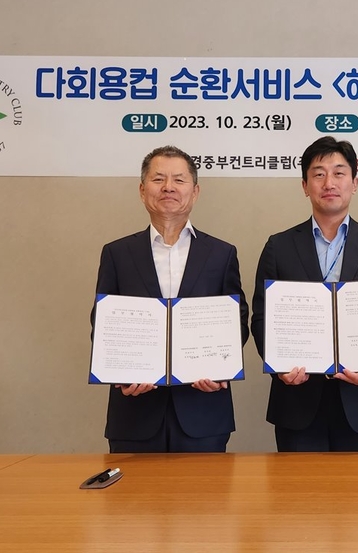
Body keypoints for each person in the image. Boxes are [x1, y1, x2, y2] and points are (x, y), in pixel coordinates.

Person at [251, 136, 358, 452]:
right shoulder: (279, 246)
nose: (329, 183)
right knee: (298, 484)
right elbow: (261, 317)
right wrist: (278, 365)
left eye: (339, 173)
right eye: (319, 174)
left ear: (354, 183)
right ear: (305, 185)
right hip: (297, 400)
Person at [91, 145, 249, 453]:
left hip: (203, 411)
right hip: (134, 412)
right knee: (135, 487)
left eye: (179, 179)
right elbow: (103, 323)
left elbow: (236, 321)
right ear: (142, 190)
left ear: (195, 191)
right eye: (158, 179)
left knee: (206, 487)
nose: (168, 187)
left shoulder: (221, 253)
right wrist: (120, 373)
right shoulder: (117, 254)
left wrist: (221, 366)